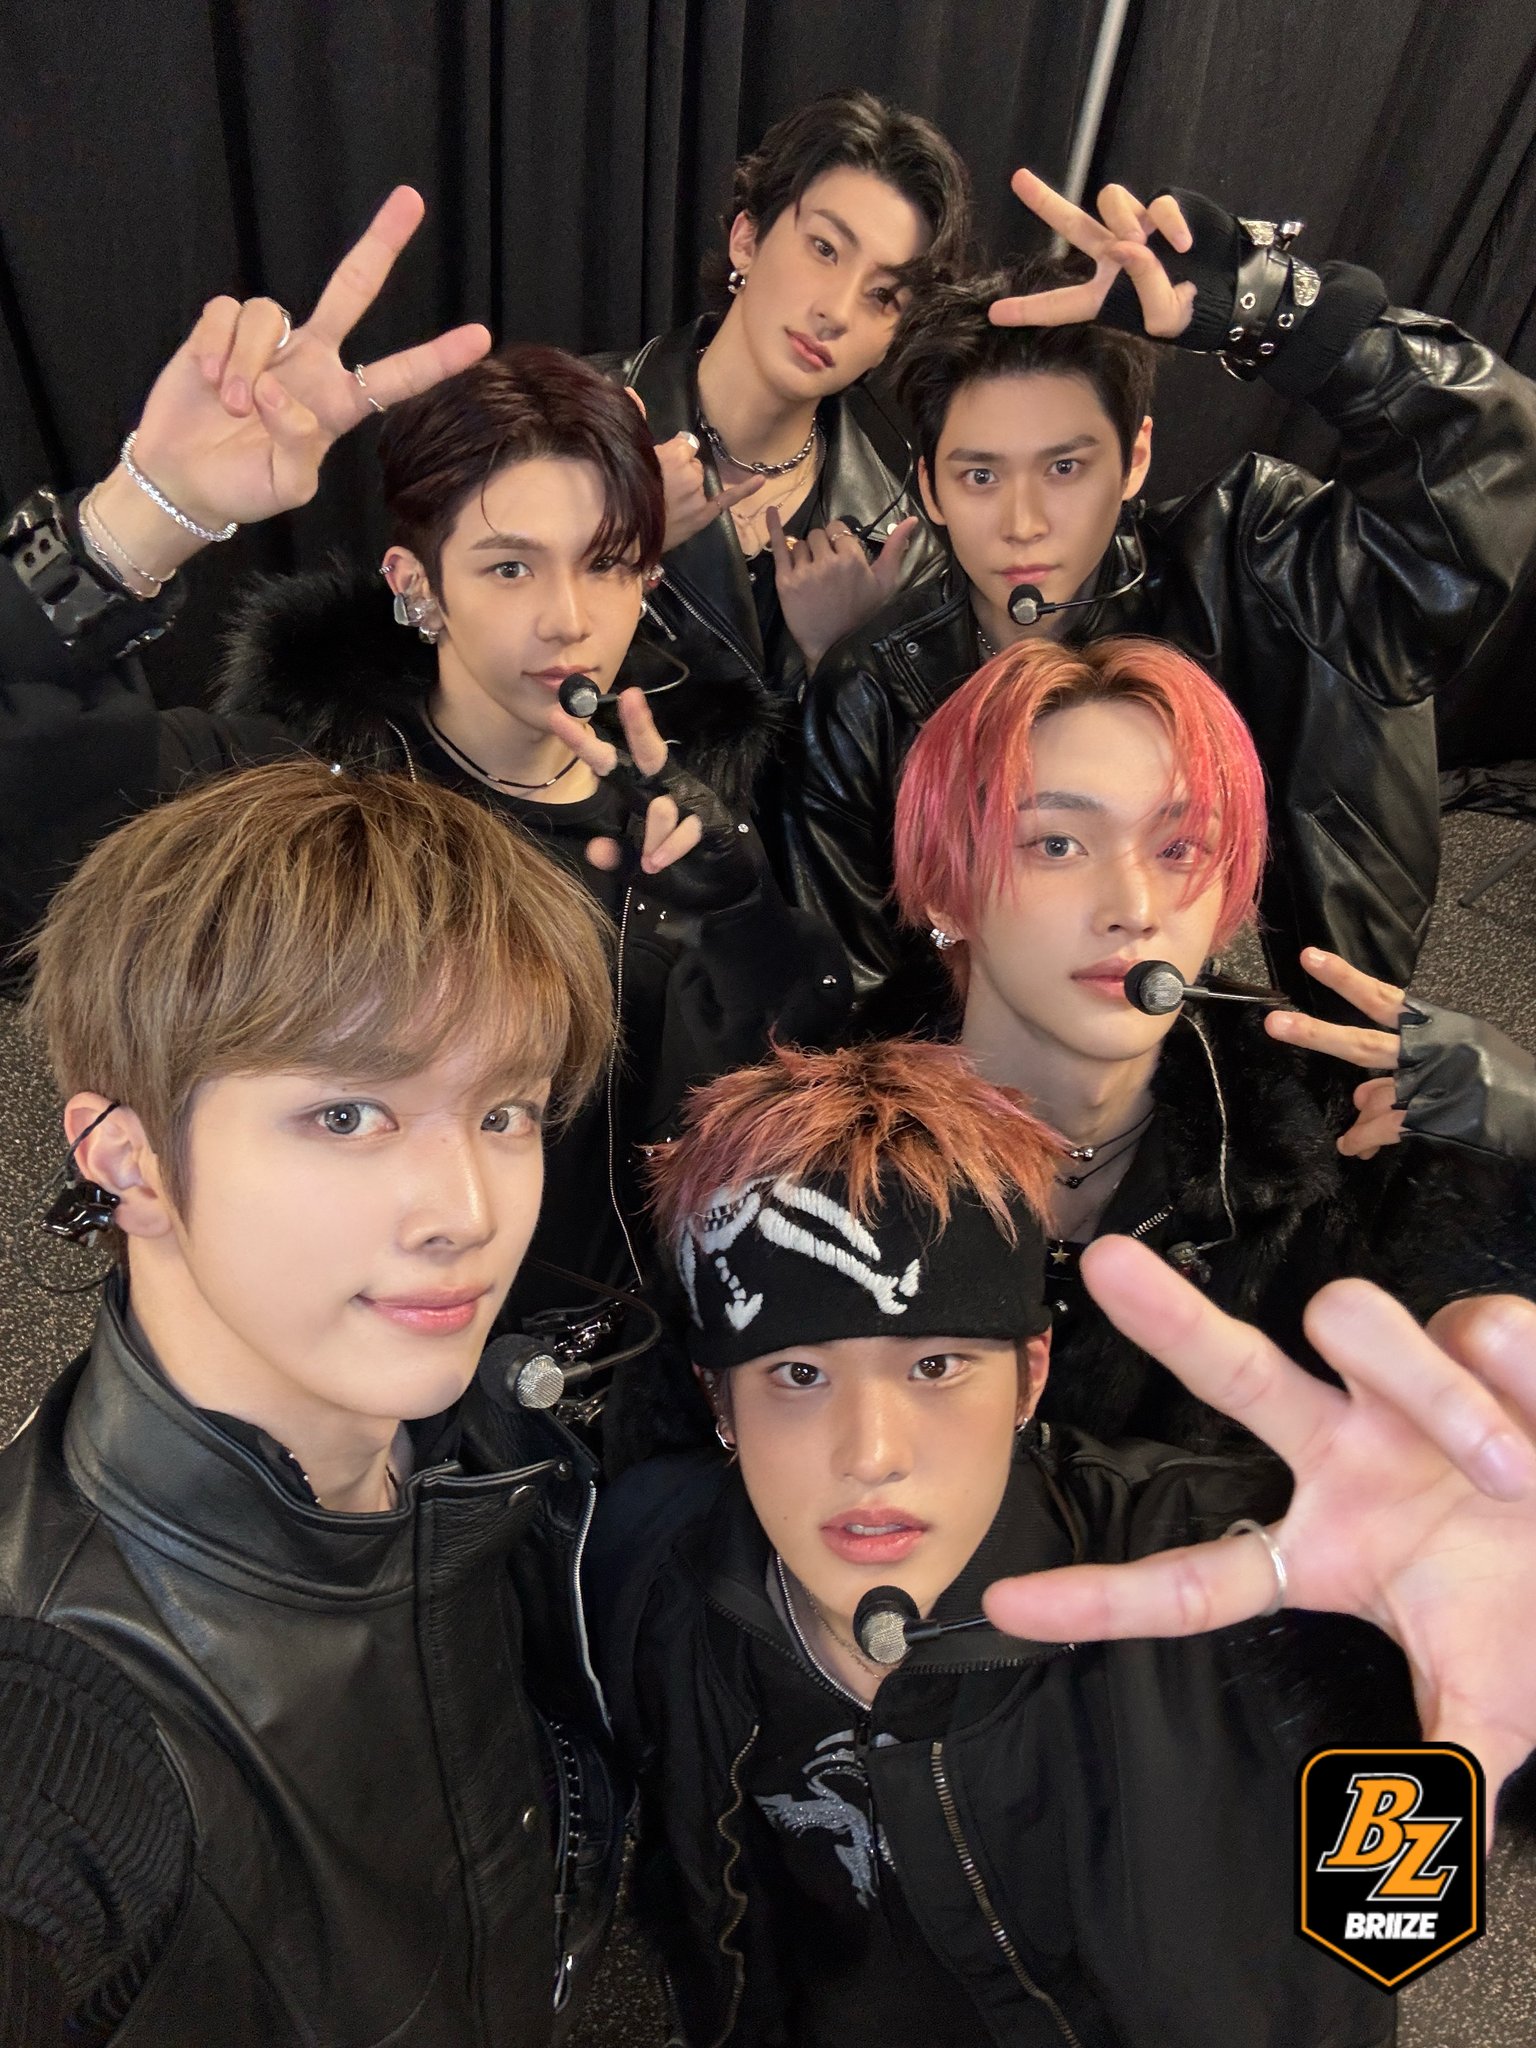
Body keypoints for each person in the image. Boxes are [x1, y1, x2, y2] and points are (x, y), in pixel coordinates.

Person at [587, 1037, 1536, 2048]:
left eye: (937, 1365)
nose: (870, 1454)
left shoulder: (1263, 1593)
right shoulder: (647, 1578)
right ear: (719, 1399)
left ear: (1031, 1373)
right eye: (799, 1374)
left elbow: (1378, 1935)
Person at [0, 192, 848, 1321]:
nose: (566, 618)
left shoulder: (675, 826)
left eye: (604, 565)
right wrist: (141, 521)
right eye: (509, 567)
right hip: (327, 1358)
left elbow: (782, 1126)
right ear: (417, 587)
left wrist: (740, 924)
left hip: (595, 1382)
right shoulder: (277, 796)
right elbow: (30, 807)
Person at [0, 760, 622, 2045]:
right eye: (347, 1113)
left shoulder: (480, 1438)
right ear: (127, 1161)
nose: (467, 1211)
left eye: (503, 1110)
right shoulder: (60, 1712)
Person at [787, 171, 1536, 1020]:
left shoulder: (1248, 568)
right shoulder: (873, 692)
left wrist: (1274, 310)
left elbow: (1485, 464)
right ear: (929, 486)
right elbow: (848, 990)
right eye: (981, 476)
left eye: (1065, 467)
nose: (1024, 524)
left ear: (1135, 458)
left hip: (1269, 1030)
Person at [889, 635, 1535, 1446]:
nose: (1134, 908)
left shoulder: (1345, 1136)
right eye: (1056, 844)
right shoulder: (820, 1171)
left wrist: (1524, 1150)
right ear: (946, 888)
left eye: (1179, 848)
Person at [591, 88, 972, 850]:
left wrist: (843, 664)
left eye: (883, 295)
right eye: (824, 249)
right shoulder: (572, 421)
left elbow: (901, 848)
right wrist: (609, 543)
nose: (837, 309)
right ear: (747, 239)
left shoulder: (905, 548)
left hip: (759, 917)